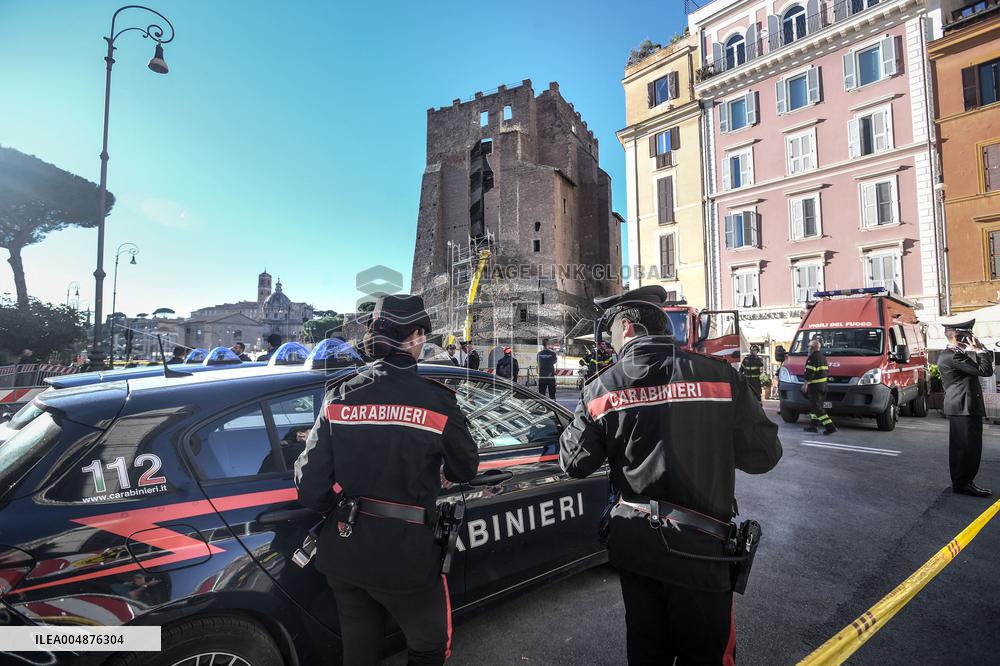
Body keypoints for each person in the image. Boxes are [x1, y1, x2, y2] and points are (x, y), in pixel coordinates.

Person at [559, 285, 782, 665]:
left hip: (637, 549)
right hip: (705, 549)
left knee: (647, 653)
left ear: (628, 329)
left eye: (611, 333)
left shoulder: (601, 389)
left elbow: (574, 463)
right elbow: (764, 456)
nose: (610, 345)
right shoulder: (720, 376)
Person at [295, 294, 479, 666]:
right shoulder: (437, 401)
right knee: (429, 647)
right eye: (422, 335)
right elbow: (465, 469)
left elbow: (308, 483)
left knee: (359, 653)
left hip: (344, 551)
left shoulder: (341, 394)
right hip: (406, 558)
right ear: (413, 337)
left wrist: (347, 508)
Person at [938, 321, 994, 497]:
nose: (971, 338)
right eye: (967, 335)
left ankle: (962, 482)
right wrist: (979, 351)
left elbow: (983, 367)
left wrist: (981, 350)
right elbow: (985, 371)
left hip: (962, 406)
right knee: (968, 448)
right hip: (964, 406)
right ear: (958, 336)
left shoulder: (953, 354)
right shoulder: (955, 356)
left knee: (962, 448)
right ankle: (963, 483)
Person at [803, 336, 836, 434]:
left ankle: (830, 427)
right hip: (823, 385)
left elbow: (810, 373)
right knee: (815, 407)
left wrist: (805, 384)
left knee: (817, 408)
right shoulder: (822, 356)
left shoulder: (812, 357)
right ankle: (813, 426)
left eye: (809, 346)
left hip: (815, 387)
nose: (808, 348)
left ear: (812, 348)